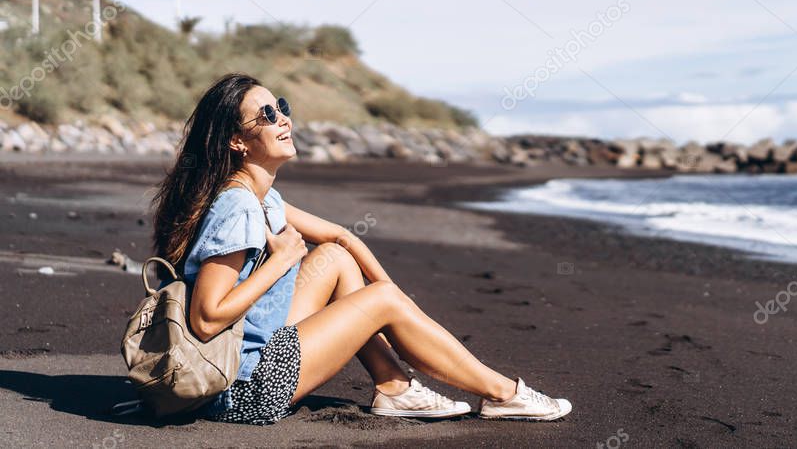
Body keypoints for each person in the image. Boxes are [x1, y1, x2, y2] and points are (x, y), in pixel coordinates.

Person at [151, 73, 572, 425]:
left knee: (338, 261)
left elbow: (342, 238)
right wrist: (281, 261)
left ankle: (394, 387)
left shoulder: (260, 197)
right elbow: (206, 320)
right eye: (266, 115)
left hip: (249, 355)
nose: (283, 119)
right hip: (241, 389)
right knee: (380, 298)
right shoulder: (237, 206)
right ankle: (503, 393)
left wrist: (397, 303)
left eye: (281, 106)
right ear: (237, 142)